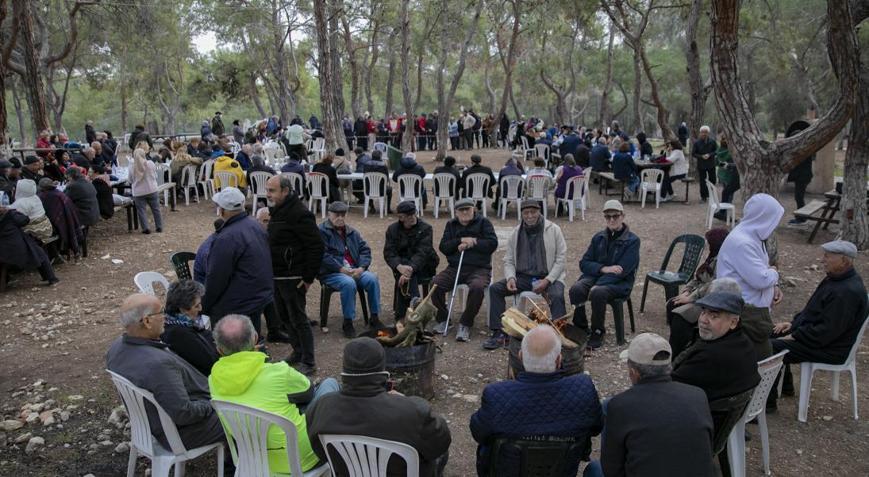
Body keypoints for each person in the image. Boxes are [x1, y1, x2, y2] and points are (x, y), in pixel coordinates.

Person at [209, 315, 339, 475]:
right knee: (329, 385)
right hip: (300, 459)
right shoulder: (278, 372)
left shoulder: (213, 379)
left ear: (219, 350)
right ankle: (341, 448)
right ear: (256, 338)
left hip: (251, 459)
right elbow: (309, 392)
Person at [306, 337, 451, 477]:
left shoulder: (320, 407)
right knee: (438, 452)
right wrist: (405, 401)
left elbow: (321, 453)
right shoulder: (413, 411)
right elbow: (441, 444)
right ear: (383, 371)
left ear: (345, 370)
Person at [471, 326, 602, 477]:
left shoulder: (496, 395)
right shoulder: (583, 390)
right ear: (559, 359)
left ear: (520, 356)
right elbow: (596, 427)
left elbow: (478, 432)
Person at [106, 294, 224, 451]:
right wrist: (212, 405)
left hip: (153, 423)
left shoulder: (116, 348)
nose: (166, 317)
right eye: (161, 312)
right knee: (247, 419)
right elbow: (184, 414)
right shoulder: (158, 363)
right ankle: (241, 466)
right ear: (147, 321)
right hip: (178, 433)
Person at [767, 240, 868, 409]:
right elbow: (812, 312)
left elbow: (828, 331)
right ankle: (786, 387)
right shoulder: (834, 280)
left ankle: (767, 404)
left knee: (771, 347)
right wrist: (792, 325)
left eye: (828, 256)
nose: (823, 260)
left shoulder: (847, 292)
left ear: (844, 261)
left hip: (831, 348)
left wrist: (796, 335)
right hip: (819, 339)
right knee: (768, 334)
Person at [597, 333, 714, 477]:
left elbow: (612, 469)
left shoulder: (621, 405)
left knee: (594, 469)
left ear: (634, 372)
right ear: (669, 366)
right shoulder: (698, 395)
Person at [484, 201, 568, 350]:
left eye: (533, 212)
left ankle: (558, 334)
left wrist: (548, 280)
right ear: (521, 214)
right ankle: (500, 333)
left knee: (557, 295)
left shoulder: (553, 229)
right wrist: (511, 277)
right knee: (495, 289)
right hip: (524, 276)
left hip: (549, 276)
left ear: (539, 211)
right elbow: (509, 260)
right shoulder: (516, 233)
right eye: (526, 213)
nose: (530, 216)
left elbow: (561, 259)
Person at [266, 175, 325, 375]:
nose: (268, 194)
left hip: (293, 277)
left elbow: (316, 246)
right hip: (277, 275)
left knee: (298, 318)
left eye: (272, 190)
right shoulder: (278, 212)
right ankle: (297, 351)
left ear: (285, 191)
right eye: (268, 190)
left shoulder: (299, 213)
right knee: (284, 317)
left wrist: (308, 277)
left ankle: (309, 360)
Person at [716, 193, 784, 361]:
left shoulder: (753, 237)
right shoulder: (743, 242)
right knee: (755, 359)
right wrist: (774, 273)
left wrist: (774, 286)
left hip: (754, 312)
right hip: (746, 314)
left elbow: (760, 270)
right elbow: (760, 279)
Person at [569, 200, 640, 349]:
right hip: (597, 277)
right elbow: (584, 263)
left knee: (597, 292)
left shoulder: (632, 241)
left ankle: (597, 331)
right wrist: (603, 269)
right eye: (608, 217)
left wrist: (597, 283)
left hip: (620, 283)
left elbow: (623, 271)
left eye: (615, 216)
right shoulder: (599, 238)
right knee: (576, 289)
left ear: (623, 216)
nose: (612, 219)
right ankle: (581, 327)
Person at [672, 288, 761, 402]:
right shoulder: (744, 342)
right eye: (703, 312)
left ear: (733, 322)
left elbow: (670, 384)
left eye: (714, 316)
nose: (704, 320)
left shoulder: (710, 356)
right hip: (725, 412)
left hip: (706, 416)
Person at [203, 187, 273, 333]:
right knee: (252, 339)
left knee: (231, 341)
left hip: (240, 302)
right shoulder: (255, 225)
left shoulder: (226, 237)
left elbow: (216, 277)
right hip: (259, 295)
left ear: (222, 210)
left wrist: (205, 305)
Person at [431, 198, 498, 342]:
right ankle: (444, 319)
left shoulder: (484, 223)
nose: (465, 212)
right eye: (461, 210)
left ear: (474, 209)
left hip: (479, 268)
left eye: (468, 209)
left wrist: (474, 242)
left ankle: (465, 322)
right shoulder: (451, 225)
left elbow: (492, 244)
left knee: (477, 287)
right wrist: (460, 241)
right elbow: (444, 247)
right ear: (456, 212)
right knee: (435, 284)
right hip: (455, 267)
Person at [318, 201, 383, 338]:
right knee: (348, 283)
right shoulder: (321, 231)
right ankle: (348, 321)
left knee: (372, 279)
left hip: (354, 270)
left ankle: (375, 318)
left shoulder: (352, 232)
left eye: (343, 215)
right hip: (332, 272)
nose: (340, 218)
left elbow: (365, 250)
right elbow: (322, 255)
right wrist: (340, 268)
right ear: (329, 214)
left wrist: (362, 267)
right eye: (337, 215)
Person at [667, 228, 730, 357]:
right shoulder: (711, 258)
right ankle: (678, 344)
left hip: (708, 299)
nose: (706, 246)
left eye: (709, 243)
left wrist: (691, 297)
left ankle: (680, 351)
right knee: (672, 304)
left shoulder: (721, 262)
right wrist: (686, 291)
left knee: (680, 316)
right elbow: (697, 279)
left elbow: (712, 286)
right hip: (696, 294)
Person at [384, 201, 439, 321]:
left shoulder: (425, 228)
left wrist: (409, 269)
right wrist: (399, 266)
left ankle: (401, 315)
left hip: (424, 266)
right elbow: (389, 252)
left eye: (414, 214)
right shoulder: (393, 230)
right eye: (408, 216)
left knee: (406, 275)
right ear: (401, 217)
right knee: (403, 269)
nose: (412, 218)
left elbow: (423, 253)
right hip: (402, 266)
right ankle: (415, 303)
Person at [161, 280, 219, 377]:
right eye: (196, 306)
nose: (200, 309)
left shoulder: (176, 322)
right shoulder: (179, 334)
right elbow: (210, 362)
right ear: (182, 309)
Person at [0, 205, 59, 285]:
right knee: (39, 253)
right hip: (15, 250)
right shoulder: (10, 214)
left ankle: (6, 280)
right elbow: (25, 220)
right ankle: (51, 278)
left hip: (3, 252)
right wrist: (14, 211)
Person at [37, 178, 83, 257]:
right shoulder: (58, 193)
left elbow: (47, 214)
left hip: (59, 225)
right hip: (68, 221)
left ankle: (52, 254)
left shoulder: (45, 196)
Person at [129, 139, 163, 234]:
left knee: (141, 211)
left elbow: (130, 180)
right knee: (156, 209)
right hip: (152, 189)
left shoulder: (131, 166)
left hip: (138, 192)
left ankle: (145, 228)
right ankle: (159, 226)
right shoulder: (150, 164)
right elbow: (155, 176)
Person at [785, 121, 815, 225]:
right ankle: (801, 217)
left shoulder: (803, 149)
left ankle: (801, 218)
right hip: (803, 176)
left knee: (799, 197)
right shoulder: (804, 147)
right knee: (799, 197)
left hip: (803, 177)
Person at [714, 136, 739, 220]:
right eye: (724, 139)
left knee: (727, 193)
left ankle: (724, 213)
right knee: (728, 194)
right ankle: (725, 214)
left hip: (724, 174)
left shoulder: (719, 150)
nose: (725, 141)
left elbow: (717, 163)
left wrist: (723, 164)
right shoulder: (733, 151)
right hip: (730, 175)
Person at [692, 126, 718, 202]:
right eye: (702, 132)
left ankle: (712, 195)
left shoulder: (712, 141)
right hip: (701, 164)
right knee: (702, 181)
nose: (704, 134)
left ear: (708, 133)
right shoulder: (697, 143)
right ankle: (703, 197)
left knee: (712, 179)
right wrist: (701, 156)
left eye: (705, 132)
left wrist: (710, 154)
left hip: (711, 164)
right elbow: (693, 154)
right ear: (700, 133)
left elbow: (716, 151)